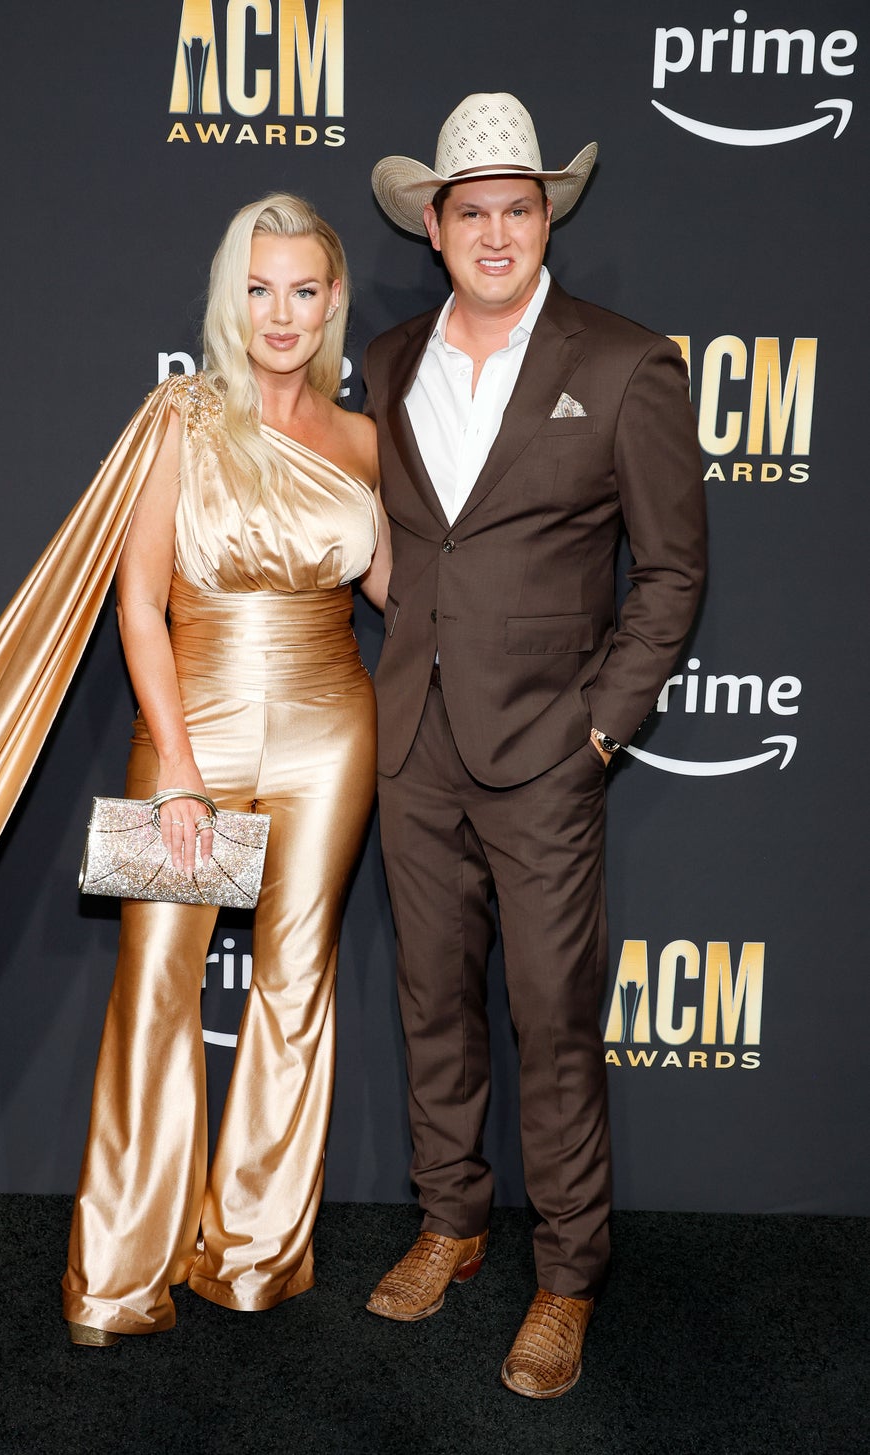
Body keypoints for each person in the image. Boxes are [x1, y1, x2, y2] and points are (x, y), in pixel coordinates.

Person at [363, 94, 706, 1398]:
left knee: (554, 1018)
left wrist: (599, 729)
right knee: (431, 999)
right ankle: (450, 1220)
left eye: (518, 207)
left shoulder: (624, 362)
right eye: (472, 212)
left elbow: (670, 572)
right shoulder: (386, 361)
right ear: (434, 225)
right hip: (413, 743)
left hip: (547, 756)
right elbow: (403, 543)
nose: (496, 232)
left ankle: (565, 1275)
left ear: (547, 217)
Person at [59, 193, 390, 1344]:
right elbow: (137, 604)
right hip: (190, 726)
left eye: (302, 289)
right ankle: (117, 1280)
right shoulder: (182, 418)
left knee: (295, 984)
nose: (279, 313)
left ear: (334, 300)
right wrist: (179, 770)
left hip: (332, 732)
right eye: (257, 289)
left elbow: (403, 589)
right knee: (156, 983)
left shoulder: (364, 441)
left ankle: (252, 1257)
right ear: (227, 300)